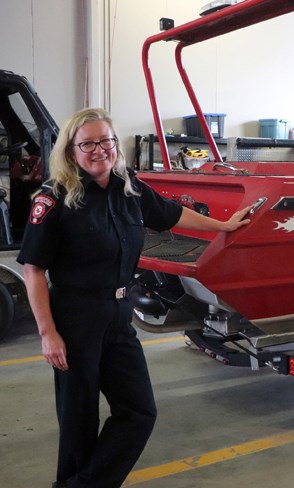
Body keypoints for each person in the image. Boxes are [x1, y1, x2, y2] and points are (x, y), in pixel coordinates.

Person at [17, 107, 252, 488]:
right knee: (79, 421)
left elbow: (173, 214)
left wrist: (223, 226)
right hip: (76, 318)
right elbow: (34, 270)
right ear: (71, 150)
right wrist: (47, 333)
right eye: (88, 143)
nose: (99, 150)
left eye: (106, 141)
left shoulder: (129, 187)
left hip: (119, 316)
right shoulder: (56, 198)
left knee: (139, 411)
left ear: (116, 144)